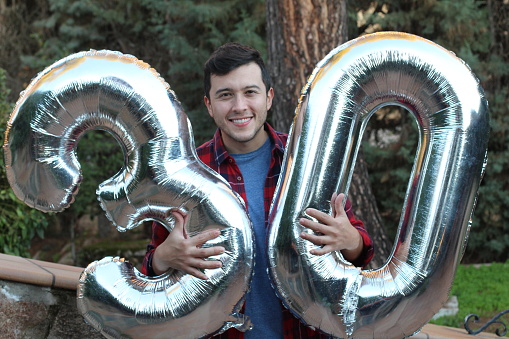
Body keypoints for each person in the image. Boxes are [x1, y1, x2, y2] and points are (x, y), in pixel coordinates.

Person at [142, 42, 374, 338]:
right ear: (209, 105)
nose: (240, 106)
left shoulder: (307, 161)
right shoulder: (185, 173)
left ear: (269, 98)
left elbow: (361, 252)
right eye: (225, 95)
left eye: (250, 92)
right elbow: (152, 266)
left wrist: (349, 239)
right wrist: (163, 258)